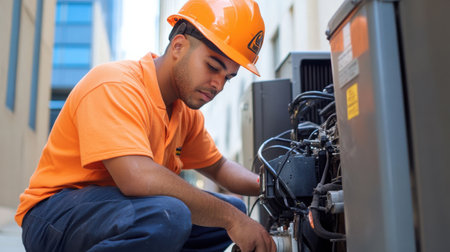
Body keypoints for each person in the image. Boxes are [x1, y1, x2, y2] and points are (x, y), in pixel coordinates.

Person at [16, 0, 275, 251]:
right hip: (53, 217)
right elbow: (136, 177)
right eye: (212, 66)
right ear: (178, 46)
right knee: (172, 216)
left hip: (116, 214)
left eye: (227, 77)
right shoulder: (116, 85)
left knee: (227, 214)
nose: (218, 84)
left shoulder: (185, 113)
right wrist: (232, 219)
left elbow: (219, 167)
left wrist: (271, 183)